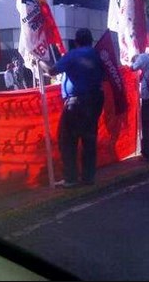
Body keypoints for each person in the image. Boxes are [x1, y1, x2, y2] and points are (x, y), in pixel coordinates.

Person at [41, 28, 104, 187]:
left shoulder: (72, 55)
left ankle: (71, 178)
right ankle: (88, 177)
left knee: (67, 140)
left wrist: (38, 60)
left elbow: (52, 71)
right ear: (91, 40)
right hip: (95, 100)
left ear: (76, 41)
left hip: (76, 103)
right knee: (89, 138)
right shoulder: (97, 54)